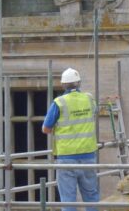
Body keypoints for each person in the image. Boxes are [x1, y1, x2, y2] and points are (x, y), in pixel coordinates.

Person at [42, 67, 99, 211]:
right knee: (91, 196)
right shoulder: (89, 98)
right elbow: (94, 112)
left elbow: (46, 129)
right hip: (88, 155)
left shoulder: (59, 102)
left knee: (68, 199)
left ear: (63, 85)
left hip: (66, 157)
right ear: (79, 83)